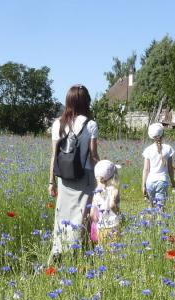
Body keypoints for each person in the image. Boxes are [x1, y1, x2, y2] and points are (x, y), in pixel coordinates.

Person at [47, 84, 99, 264]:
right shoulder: (90, 124)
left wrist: (51, 182)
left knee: (62, 216)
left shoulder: (57, 124)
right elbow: (93, 156)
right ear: (86, 101)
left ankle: (59, 252)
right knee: (81, 216)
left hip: (64, 177)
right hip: (85, 176)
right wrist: (103, 176)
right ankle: (77, 256)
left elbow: (54, 155)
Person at [142, 122, 175, 212]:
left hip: (150, 181)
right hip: (162, 181)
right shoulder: (168, 148)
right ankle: (159, 224)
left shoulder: (148, 150)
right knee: (160, 208)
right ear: (163, 134)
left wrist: (143, 185)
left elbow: (146, 169)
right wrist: (172, 181)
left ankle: (150, 224)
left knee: (150, 207)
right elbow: (170, 168)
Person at [90, 160, 121, 245]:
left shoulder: (96, 192)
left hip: (101, 227)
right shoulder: (114, 190)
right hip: (113, 226)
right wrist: (119, 214)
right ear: (114, 176)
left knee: (103, 252)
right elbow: (112, 205)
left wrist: (98, 222)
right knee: (114, 252)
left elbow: (92, 214)